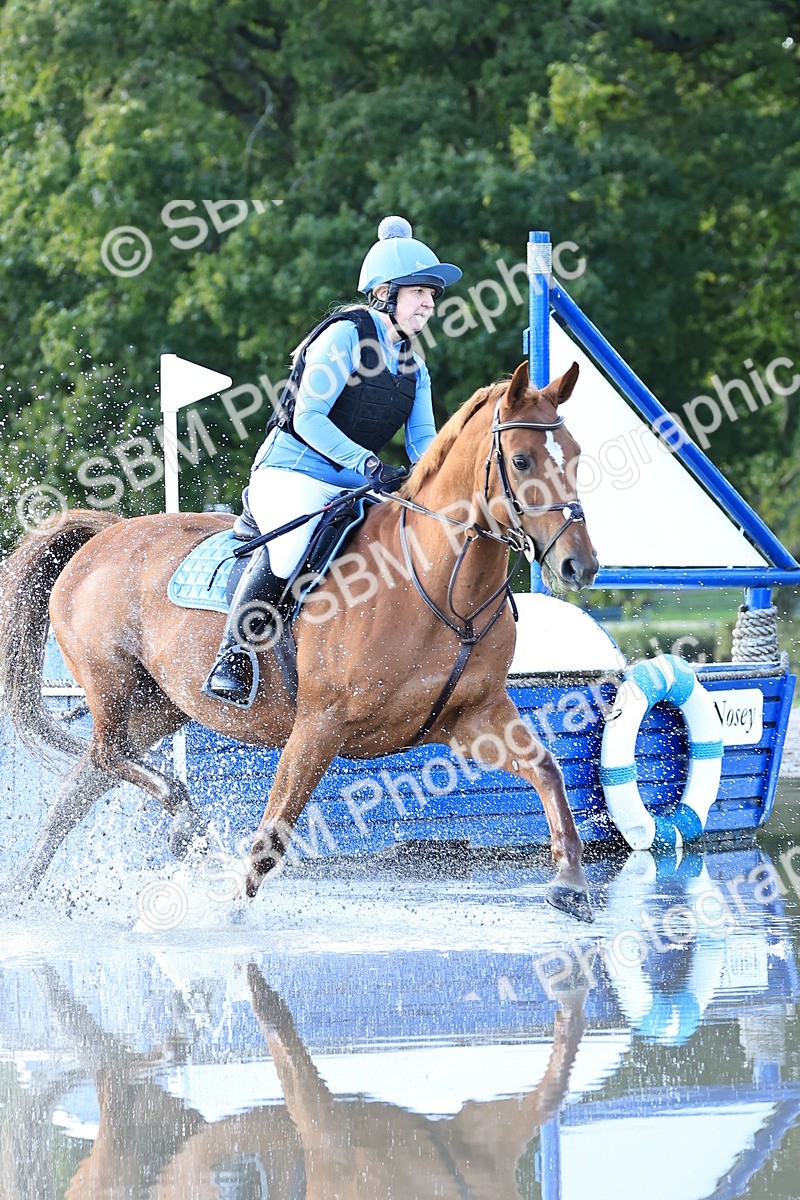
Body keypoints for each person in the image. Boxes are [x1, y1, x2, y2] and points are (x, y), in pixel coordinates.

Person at [203, 216, 462, 706]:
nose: (430, 302)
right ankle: (233, 654)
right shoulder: (343, 336)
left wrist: (441, 487)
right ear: (385, 293)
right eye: (420, 292)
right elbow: (309, 418)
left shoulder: (415, 365)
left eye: (433, 294)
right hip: (291, 473)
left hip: (351, 484)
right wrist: (367, 464)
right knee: (292, 547)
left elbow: (423, 441)